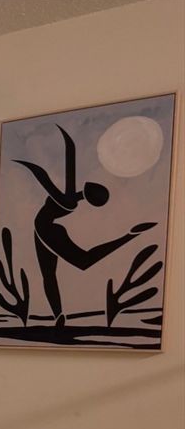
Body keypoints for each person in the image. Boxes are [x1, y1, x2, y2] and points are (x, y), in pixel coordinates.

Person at [15, 125, 155, 327]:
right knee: (56, 272)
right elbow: (49, 175)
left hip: (47, 230)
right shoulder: (70, 199)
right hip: (46, 230)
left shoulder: (71, 199)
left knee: (78, 263)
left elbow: (50, 175)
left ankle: (128, 236)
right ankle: (58, 315)